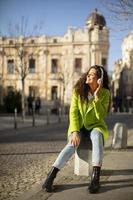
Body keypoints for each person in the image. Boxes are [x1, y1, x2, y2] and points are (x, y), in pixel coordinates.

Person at [42, 65, 110, 194]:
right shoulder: (78, 90)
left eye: (92, 75)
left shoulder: (105, 93)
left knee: (96, 136)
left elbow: (100, 115)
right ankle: (50, 177)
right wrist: (74, 131)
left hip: (96, 126)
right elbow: (73, 113)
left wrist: (96, 96)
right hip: (78, 126)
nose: (87, 76)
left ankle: (95, 178)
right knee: (72, 144)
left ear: (99, 80)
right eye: (88, 74)